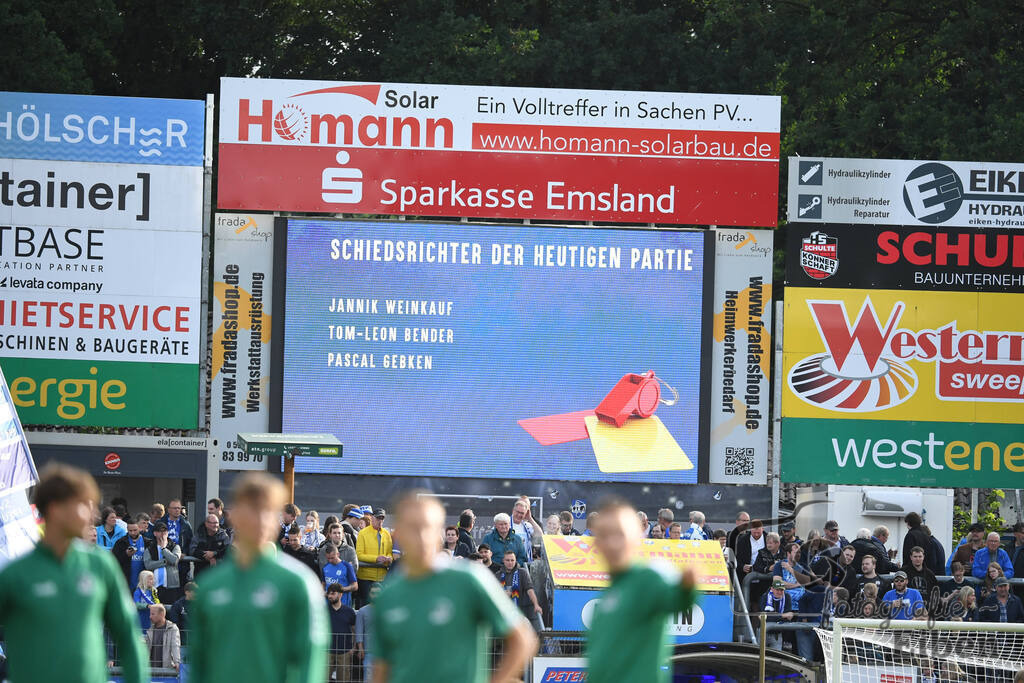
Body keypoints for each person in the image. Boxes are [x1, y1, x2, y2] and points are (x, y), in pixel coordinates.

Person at [370, 491, 537, 683]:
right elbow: (381, 669)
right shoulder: (388, 596)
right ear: (397, 533)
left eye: (429, 528)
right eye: (414, 528)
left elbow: (523, 639)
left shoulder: (469, 579)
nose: (423, 537)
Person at [2, 465, 145, 682]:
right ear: (54, 509)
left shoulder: (101, 565)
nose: (93, 515)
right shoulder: (15, 575)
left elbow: (128, 636)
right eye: (83, 506)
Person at [191, 472, 328, 683]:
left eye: (269, 511)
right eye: (253, 509)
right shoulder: (210, 587)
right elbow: (199, 664)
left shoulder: (298, 583)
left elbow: (309, 663)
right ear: (234, 516)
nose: (261, 519)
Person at [585, 497, 697, 683]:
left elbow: (678, 598)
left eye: (619, 534)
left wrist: (687, 586)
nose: (612, 543)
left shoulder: (648, 578)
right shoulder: (611, 591)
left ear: (637, 537)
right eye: (604, 535)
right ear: (596, 543)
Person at [496, 549, 544, 633]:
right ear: (503, 561)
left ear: (515, 561)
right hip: (500, 614)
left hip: (517, 613)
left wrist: (536, 605)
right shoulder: (498, 575)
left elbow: (530, 590)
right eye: (507, 560)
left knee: (527, 627)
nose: (510, 562)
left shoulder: (522, 573)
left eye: (512, 560)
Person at [356, 508, 393, 607]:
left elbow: (389, 552)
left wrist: (389, 558)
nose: (380, 521)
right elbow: (359, 555)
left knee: (381, 606)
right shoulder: (362, 533)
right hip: (365, 578)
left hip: (381, 577)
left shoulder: (386, 534)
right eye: (378, 518)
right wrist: (376, 558)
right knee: (365, 605)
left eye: (382, 518)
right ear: (372, 518)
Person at [145, 521, 182, 604]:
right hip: (154, 586)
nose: (162, 534)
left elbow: (174, 560)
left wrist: (163, 549)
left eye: (165, 531)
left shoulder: (175, 546)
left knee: (169, 611)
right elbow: (148, 565)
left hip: (171, 586)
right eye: (160, 531)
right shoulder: (150, 548)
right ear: (155, 533)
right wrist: (165, 562)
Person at [326, 583, 357, 683]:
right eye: (328, 594)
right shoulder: (323, 610)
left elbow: (355, 630)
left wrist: (354, 647)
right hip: (326, 651)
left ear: (340, 595)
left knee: (343, 680)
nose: (329, 596)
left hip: (344, 651)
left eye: (333, 593)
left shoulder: (349, 612)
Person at [159, 499, 194, 586]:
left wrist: (185, 553)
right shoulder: (160, 523)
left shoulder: (186, 524)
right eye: (175, 508)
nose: (177, 510)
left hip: (181, 564)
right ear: (169, 510)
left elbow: (191, 542)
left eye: (179, 508)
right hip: (163, 563)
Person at [355, 583, 382, 683]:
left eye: (378, 593)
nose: (375, 595)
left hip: (384, 653)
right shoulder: (362, 611)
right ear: (369, 594)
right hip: (369, 651)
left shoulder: (386, 609)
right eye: (373, 593)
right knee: (368, 678)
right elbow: (359, 631)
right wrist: (360, 648)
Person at [112, 516, 147, 590]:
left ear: (139, 528)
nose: (133, 533)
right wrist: (126, 554)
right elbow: (114, 561)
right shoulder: (121, 542)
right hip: (126, 583)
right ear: (127, 529)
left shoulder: (148, 542)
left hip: (144, 583)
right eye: (130, 531)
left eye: (135, 530)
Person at [759, 577, 794, 651]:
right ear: (772, 589)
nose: (779, 592)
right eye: (777, 589)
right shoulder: (765, 597)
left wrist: (773, 616)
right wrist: (782, 615)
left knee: (775, 658)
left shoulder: (787, 597)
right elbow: (763, 617)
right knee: (760, 656)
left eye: (781, 590)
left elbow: (789, 617)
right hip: (763, 632)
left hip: (777, 634)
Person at [145, 604, 181, 674]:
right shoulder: (150, 630)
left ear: (161, 614)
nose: (150, 617)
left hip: (167, 671)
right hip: (150, 672)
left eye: (153, 614)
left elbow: (175, 646)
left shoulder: (172, 628)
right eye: (150, 614)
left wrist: (177, 662)